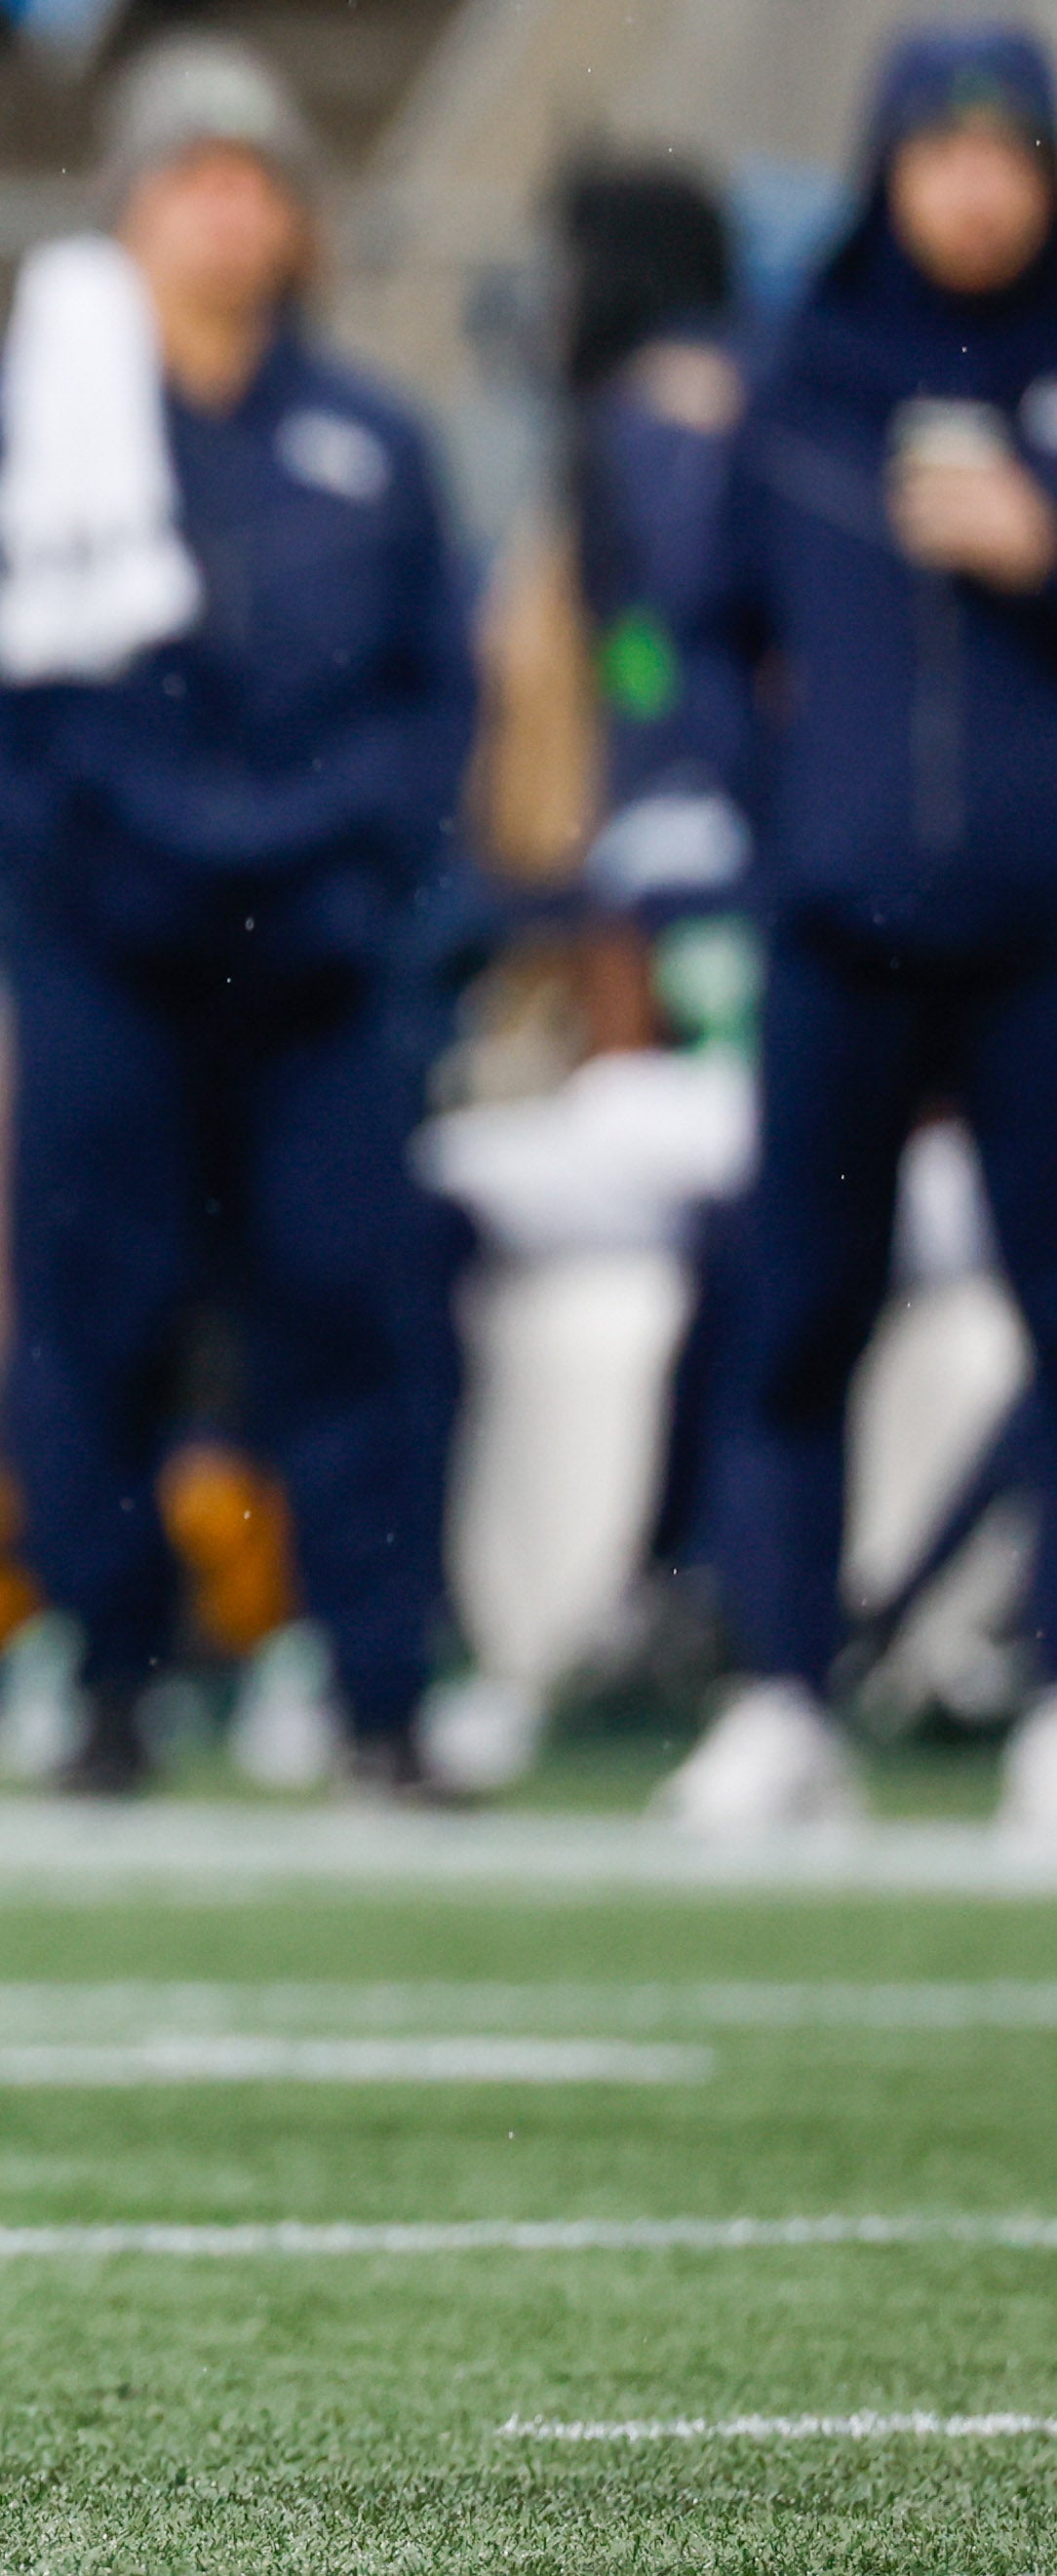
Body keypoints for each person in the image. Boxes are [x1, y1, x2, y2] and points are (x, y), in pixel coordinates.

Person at [0, 35, 478, 1798]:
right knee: (90, 1307)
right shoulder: (13, 423)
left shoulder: (365, 438)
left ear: (294, 218)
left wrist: (340, 846)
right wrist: (67, 842)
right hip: (102, 940)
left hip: (311, 949)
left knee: (347, 1307)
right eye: (182, 176)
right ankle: (101, 1656)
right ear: (120, 212)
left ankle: (370, 1674)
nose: (217, 211)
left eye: (248, 177)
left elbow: (435, 695)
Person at [655, 28, 1057, 1842]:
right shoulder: (793, 381)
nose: (973, 190)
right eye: (939, 153)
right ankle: (777, 1690)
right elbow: (681, 636)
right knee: (797, 1310)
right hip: (835, 923)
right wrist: (772, 823)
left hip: (1040, 929)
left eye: (1006, 154)